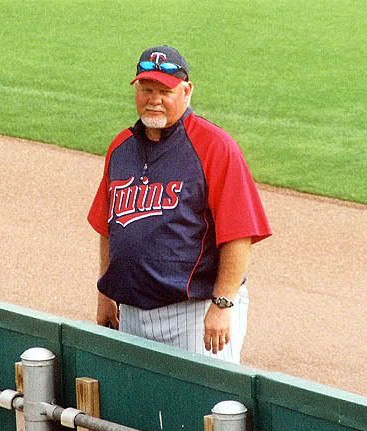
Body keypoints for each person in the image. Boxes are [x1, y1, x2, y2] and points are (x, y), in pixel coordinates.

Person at [87, 45, 271, 363]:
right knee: (135, 409)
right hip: (131, 312)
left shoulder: (215, 147)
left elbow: (239, 234)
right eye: (146, 89)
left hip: (195, 315)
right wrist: (106, 292)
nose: (154, 99)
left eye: (164, 90)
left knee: (204, 408)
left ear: (186, 91)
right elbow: (109, 227)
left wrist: (223, 303)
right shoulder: (121, 148)